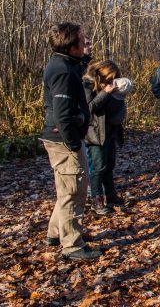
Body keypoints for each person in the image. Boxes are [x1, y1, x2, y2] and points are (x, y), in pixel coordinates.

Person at [40, 22, 101, 260]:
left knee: (66, 189)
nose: (86, 43)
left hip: (63, 138)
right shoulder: (63, 71)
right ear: (71, 45)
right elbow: (63, 113)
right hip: (64, 141)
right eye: (82, 40)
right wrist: (73, 143)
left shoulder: (65, 64)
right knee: (74, 191)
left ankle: (55, 233)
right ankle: (73, 244)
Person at [83, 61, 132, 214]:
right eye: (110, 77)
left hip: (110, 131)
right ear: (102, 73)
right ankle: (97, 200)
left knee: (109, 165)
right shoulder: (87, 85)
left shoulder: (109, 86)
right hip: (95, 132)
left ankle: (111, 196)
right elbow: (89, 108)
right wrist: (105, 93)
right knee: (98, 167)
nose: (112, 81)